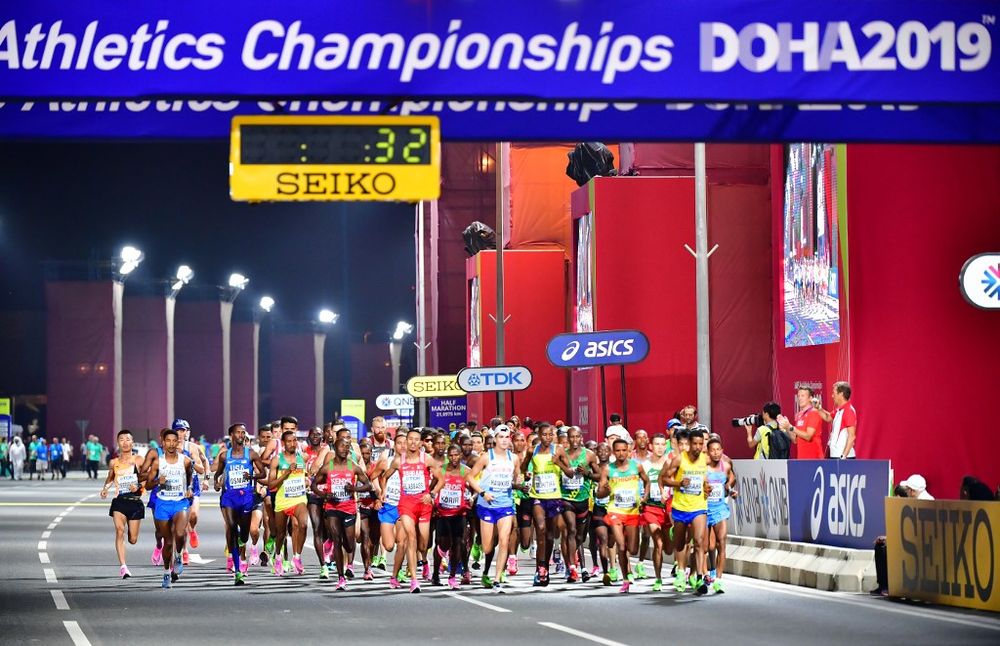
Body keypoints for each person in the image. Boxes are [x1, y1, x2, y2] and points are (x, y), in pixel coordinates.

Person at [379, 428, 441, 593]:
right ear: (406, 442)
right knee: (410, 538)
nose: (413, 442)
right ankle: (414, 580)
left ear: (420, 443)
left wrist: (432, 494)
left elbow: (441, 477)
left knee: (423, 544)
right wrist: (383, 491)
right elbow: (385, 476)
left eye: (416, 440)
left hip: (424, 504)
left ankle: (424, 561)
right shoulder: (399, 461)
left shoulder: (426, 459)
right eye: (410, 439)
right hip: (406, 504)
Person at [467, 424, 523, 593]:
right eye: (501, 437)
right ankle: (483, 559)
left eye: (507, 437)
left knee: (505, 540)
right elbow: (470, 477)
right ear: (495, 439)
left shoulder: (514, 458)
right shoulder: (486, 457)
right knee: (487, 547)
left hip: (505, 503)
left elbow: (516, 478)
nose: (504, 440)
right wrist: (483, 493)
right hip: (486, 504)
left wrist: (520, 482)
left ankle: (497, 578)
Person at [313, 437, 372, 590]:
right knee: (337, 540)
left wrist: (354, 490)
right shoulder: (328, 467)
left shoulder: (353, 466)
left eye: (347, 447)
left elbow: (368, 484)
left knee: (349, 545)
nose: (345, 449)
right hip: (332, 508)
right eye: (342, 446)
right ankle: (341, 577)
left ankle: (348, 553)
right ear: (335, 448)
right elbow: (314, 484)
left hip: (349, 508)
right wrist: (323, 495)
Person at [522, 421, 575, 587]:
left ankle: (545, 565)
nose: (547, 438)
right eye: (544, 435)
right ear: (539, 436)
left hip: (554, 496)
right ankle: (541, 569)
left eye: (550, 434)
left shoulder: (558, 450)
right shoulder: (533, 450)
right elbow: (524, 468)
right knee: (541, 529)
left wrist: (558, 463)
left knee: (551, 535)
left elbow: (571, 473)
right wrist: (527, 471)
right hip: (537, 496)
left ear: (553, 435)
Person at [214, 423, 267, 585]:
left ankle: (242, 539)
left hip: (246, 498)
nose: (241, 435)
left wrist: (251, 478)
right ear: (231, 435)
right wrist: (217, 483)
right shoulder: (224, 456)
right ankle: (238, 570)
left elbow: (263, 473)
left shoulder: (251, 454)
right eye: (238, 432)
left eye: (243, 432)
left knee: (244, 534)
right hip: (229, 497)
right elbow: (217, 474)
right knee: (231, 527)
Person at [597, 438, 650, 593]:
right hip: (615, 511)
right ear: (614, 452)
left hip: (632, 512)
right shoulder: (608, 469)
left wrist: (645, 498)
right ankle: (625, 578)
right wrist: (605, 490)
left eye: (623, 450)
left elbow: (647, 482)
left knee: (632, 549)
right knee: (621, 546)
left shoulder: (637, 466)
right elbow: (599, 494)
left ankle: (628, 566)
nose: (621, 453)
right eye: (617, 450)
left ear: (628, 451)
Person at [662, 428, 710, 595]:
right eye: (694, 444)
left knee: (698, 541)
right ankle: (681, 572)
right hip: (681, 506)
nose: (698, 447)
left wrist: (707, 487)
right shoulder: (678, 460)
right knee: (680, 543)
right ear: (688, 444)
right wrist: (679, 483)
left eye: (700, 444)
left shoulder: (705, 459)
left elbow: (705, 479)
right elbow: (665, 479)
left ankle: (699, 577)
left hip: (699, 506)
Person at [144, 428, 194, 589]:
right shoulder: (158, 462)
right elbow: (148, 484)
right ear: (163, 443)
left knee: (180, 533)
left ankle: (178, 556)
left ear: (178, 442)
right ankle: (166, 572)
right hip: (163, 503)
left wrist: (190, 488)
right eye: (168, 441)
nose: (171, 444)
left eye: (174, 441)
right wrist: (159, 481)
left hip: (180, 502)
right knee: (168, 542)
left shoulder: (185, 460)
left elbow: (190, 477)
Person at [101, 430, 146, 579]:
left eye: (128, 439)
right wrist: (105, 489)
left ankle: (130, 535)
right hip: (119, 502)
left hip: (135, 502)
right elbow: (109, 478)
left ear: (132, 442)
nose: (125, 442)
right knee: (119, 531)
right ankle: (123, 566)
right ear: (118, 443)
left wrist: (138, 485)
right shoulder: (114, 462)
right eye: (122, 439)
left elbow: (147, 477)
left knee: (133, 539)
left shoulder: (139, 460)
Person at [559, 426, 600, 583]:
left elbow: (598, 476)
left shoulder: (589, 455)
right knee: (571, 529)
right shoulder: (563, 454)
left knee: (580, 537)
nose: (575, 440)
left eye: (577, 437)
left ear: (581, 437)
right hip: (566, 498)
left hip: (583, 499)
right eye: (572, 437)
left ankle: (578, 565)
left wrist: (587, 473)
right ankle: (574, 568)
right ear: (568, 439)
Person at [268, 429, 310, 576]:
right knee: (280, 535)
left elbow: (305, 476)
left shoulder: (302, 458)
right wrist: (286, 474)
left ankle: (297, 557)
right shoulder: (276, 460)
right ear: (283, 443)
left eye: (294, 441)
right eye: (289, 441)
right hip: (282, 501)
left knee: (303, 524)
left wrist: (307, 480)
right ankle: (278, 557)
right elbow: (271, 485)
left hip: (299, 499)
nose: (292, 444)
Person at [430, 444, 471, 589]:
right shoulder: (441, 470)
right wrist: (433, 501)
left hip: (459, 513)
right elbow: (432, 488)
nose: (454, 458)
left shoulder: (466, 471)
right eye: (451, 455)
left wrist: (471, 498)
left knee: (459, 544)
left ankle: (452, 576)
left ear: (461, 455)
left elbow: (475, 488)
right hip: (442, 513)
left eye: (456, 455)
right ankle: (435, 574)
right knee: (442, 544)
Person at [705, 437, 737, 593]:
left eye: (718, 449)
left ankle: (718, 579)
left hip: (720, 508)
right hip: (704, 509)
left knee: (721, 542)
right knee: (707, 546)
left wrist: (730, 489)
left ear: (722, 451)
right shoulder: (703, 467)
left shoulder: (726, 466)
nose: (716, 453)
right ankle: (707, 572)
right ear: (708, 452)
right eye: (713, 450)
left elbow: (732, 478)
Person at [640, 433, 671, 591]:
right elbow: (641, 485)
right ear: (651, 446)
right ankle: (658, 578)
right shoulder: (644, 465)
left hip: (669, 510)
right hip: (651, 508)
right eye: (656, 444)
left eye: (662, 444)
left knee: (669, 548)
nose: (659, 447)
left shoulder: (671, 463)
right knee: (658, 543)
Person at [819, 381, 858, 459]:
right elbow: (827, 418)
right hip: (835, 455)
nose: (832, 396)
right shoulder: (839, 410)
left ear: (841, 394)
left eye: (834, 393)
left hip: (844, 457)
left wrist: (843, 456)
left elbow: (852, 436)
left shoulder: (848, 411)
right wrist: (818, 408)